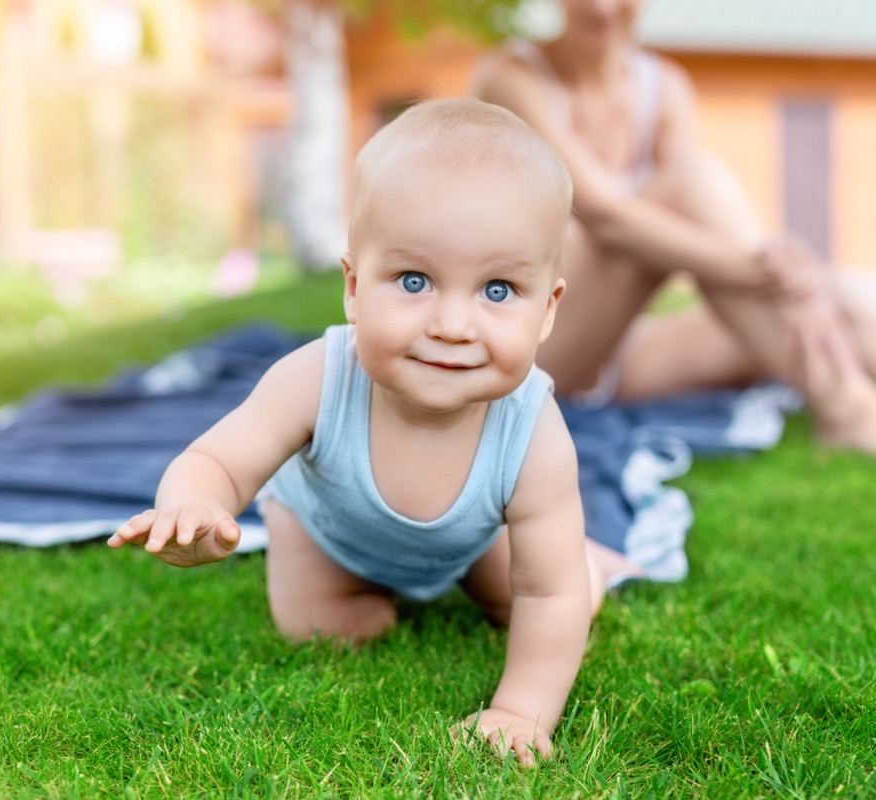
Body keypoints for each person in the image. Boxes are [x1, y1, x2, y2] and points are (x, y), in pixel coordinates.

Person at [110, 98, 625, 766]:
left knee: (558, 599)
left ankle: (593, 560)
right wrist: (195, 504)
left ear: (547, 309)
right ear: (354, 288)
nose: (453, 324)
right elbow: (219, 458)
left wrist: (518, 713)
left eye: (497, 291)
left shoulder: (533, 431)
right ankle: (359, 594)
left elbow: (545, 593)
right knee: (322, 631)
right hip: (326, 539)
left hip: (467, 543)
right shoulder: (319, 378)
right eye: (415, 281)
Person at [473, 0, 876, 451]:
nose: (602, 8)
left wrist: (803, 282)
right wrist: (768, 271)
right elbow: (605, 216)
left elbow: (698, 238)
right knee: (692, 183)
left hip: (625, 354)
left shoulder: (663, 86)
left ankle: (856, 390)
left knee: (838, 292)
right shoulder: (513, 77)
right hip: (539, 347)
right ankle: (847, 408)